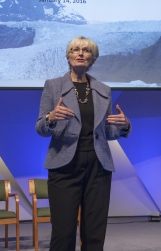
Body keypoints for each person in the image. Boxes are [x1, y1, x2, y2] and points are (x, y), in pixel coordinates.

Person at [35, 36, 131, 251]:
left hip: (98, 166)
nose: (80, 53)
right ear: (68, 56)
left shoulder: (103, 89)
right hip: (64, 165)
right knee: (63, 231)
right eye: (75, 49)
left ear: (93, 58)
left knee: (95, 230)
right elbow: (41, 128)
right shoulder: (53, 86)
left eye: (86, 51)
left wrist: (124, 126)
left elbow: (107, 131)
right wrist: (51, 117)